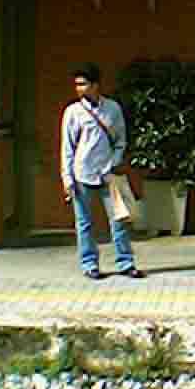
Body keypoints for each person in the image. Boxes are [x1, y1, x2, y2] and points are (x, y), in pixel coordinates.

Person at [60, 62, 145, 280]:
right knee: (84, 223)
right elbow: (67, 148)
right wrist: (67, 178)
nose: (79, 89)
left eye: (84, 84)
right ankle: (89, 264)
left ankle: (125, 263)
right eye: (77, 85)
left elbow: (120, 141)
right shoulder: (73, 112)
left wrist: (113, 162)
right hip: (82, 174)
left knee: (119, 219)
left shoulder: (113, 109)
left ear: (96, 85)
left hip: (108, 175)